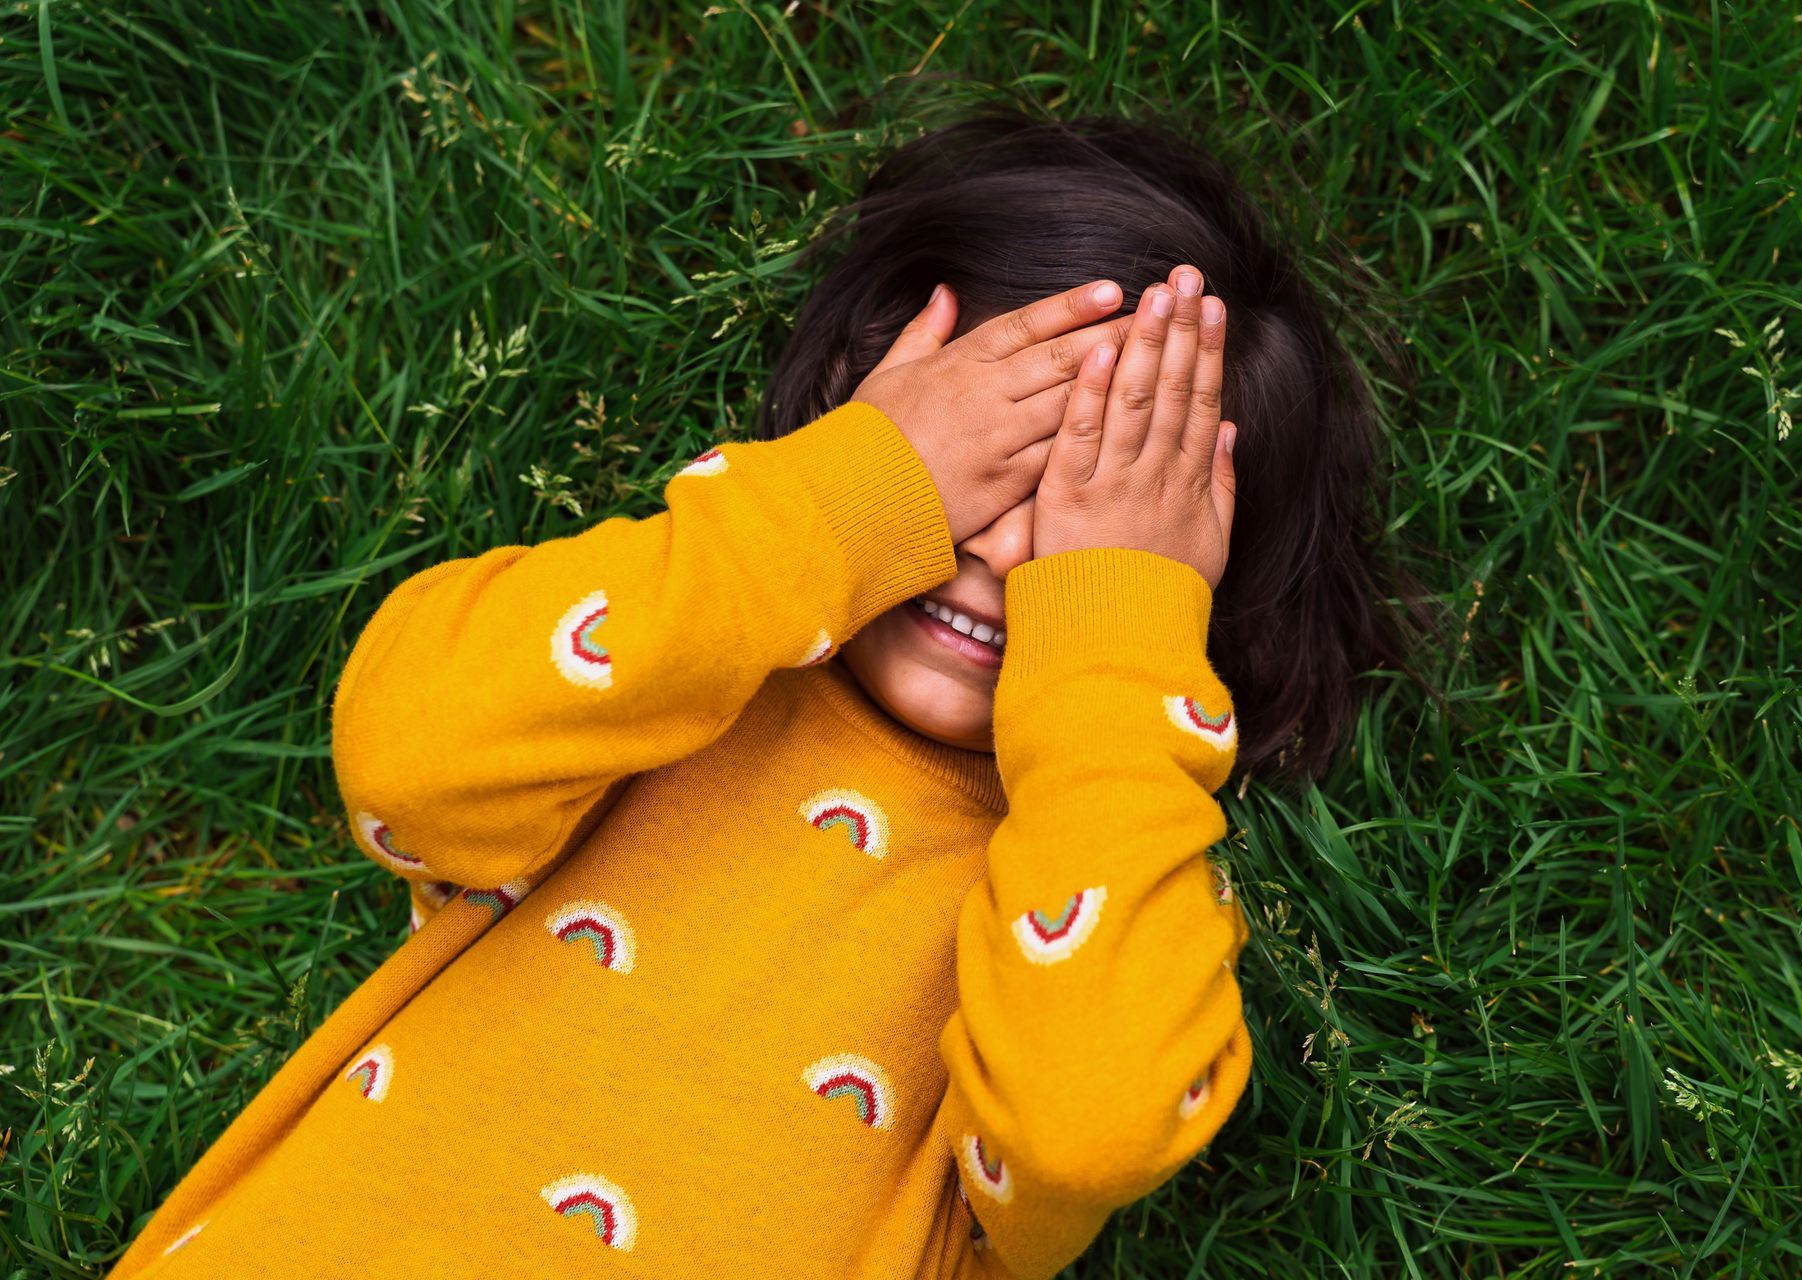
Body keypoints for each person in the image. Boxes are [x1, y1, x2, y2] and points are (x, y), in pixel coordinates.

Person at [107, 109, 1418, 1280]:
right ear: (875, 392)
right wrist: (847, 504)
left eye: (1090, 535)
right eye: (993, 462)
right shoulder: (683, 674)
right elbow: (407, 763)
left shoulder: (1101, 864)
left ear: (1190, 588)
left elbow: (1086, 1131)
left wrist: (1112, 667)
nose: (1011, 554)